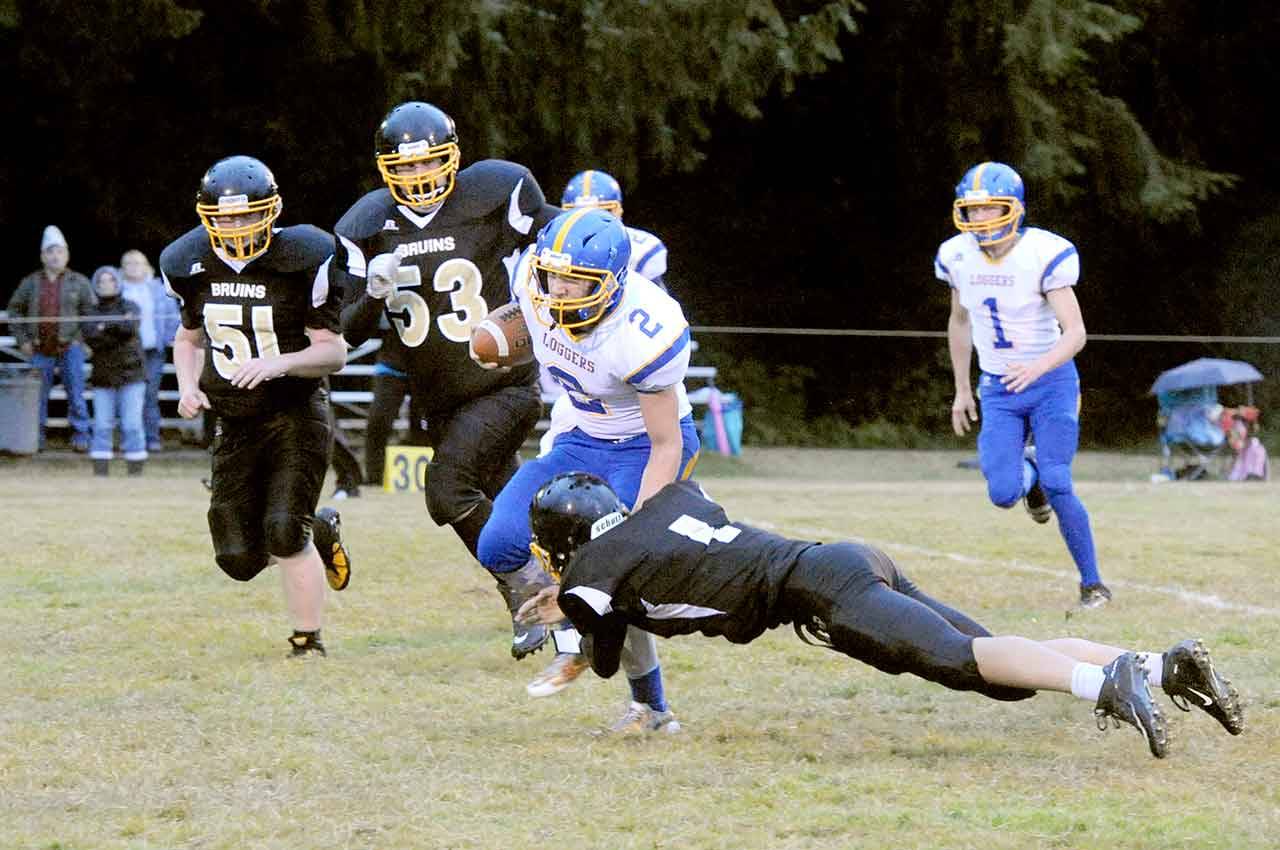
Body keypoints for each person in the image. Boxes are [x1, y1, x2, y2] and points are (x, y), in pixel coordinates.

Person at [519, 471, 1245, 755]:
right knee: (999, 656)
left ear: (565, 541)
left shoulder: (590, 574)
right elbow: (684, 534)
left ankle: (1109, 682)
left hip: (825, 593)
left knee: (972, 665)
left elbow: (606, 653)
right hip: (848, 557)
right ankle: (1160, 666)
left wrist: (566, 620)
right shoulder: (670, 500)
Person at [333, 100, 562, 658]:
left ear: (452, 157)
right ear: (386, 168)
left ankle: (532, 591)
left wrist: (544, 298)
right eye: (404, 166)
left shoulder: (493, 191)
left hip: (503, 383)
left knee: (447, 491)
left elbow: (562, 239)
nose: (417, 176)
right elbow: (346, 331)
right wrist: (376, 294)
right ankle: (585, 579)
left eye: (427, 162)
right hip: (438, 397)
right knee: (504, 501)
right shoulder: (366, 224)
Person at [476, 209, 701, 731]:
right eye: (553, 275)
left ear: (613, 283)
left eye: (576, 282)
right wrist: (498, 345)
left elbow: (666, 442)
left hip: (644, 444)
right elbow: (524, 329)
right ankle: (575, 632)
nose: (557, 290)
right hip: (581, 437)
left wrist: (637, 531)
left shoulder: (648, 327)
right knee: (499, 543)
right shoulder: (533, 283)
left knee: (611, 570)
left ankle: (650, 706)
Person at [160, 154, 353, 657]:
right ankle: (323, 528)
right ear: (207, 218)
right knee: (238, 559)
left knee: (286, 531)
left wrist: (279, 363)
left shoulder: (304, 254)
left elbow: (333, 351)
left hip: (295, 411)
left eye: (248, 214)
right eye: (225, 218)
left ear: (272, 210)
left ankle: (307, 641)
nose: (237, 226)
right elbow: (188, 339)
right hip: (234, 418)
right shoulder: (188, 261)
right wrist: (187, 386)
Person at [936, 161, 1111, 610]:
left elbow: (1076, 333)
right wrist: (961, 388)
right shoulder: (957, 256)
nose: (979, 219)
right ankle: (1026, 478)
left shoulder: (1043, 253)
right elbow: (958, 321)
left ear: (1013, 208)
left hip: (1050, 381)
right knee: (1001, 493)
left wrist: (1036, 367)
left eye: (989, 209)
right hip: (998, 388)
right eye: (972, 211)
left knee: (1059, 481)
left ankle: (1093, 584)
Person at [6, 226, 96, 452]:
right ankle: (35, 437)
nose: (56, 256)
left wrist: (84, 341)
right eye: (51, 252)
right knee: (37, 396)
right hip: (39, 349)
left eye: (60, 252)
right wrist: (23, 340)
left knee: (76, 393)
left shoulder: (79, 281)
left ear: (67, 255)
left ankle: (81, 436)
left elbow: (92, 313)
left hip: (71, 347)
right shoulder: (31, 282)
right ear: (43, 256)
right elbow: (14, 310)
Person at [82, 266, 147, 476]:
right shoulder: (90, 312)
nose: (106, 284)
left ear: (118, 282)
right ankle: (101, 469)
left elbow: (130, 329)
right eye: (101, 281)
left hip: (132, 374)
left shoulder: (132, 306)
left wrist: (104, 327)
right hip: (103, 376)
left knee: (132, 424)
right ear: (96, 285)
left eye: (111, 280)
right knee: (101, 424)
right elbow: (92, 337)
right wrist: (117, 325)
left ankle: (135, 469)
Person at [119, 249, 182, 452]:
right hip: (124, 350)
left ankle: (151, 438)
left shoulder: (158, 289)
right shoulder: (118, 290)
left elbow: (173, 317)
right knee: (126, 395)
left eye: (138, 263)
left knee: (150, 394)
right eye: (128, 263)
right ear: (122, 268)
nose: (134, 267)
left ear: (147, 266)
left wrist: (171, 338)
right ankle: (128, 439)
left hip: (153, 350)